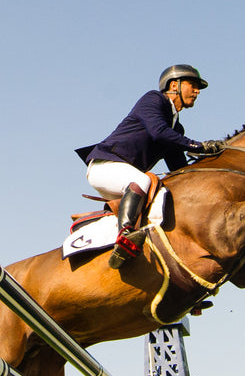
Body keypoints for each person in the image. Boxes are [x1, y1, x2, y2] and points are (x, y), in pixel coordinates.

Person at [76, 64, 225, 268]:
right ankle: (126, 236)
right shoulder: (154, 99)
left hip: (124, 175)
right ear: (174, 85)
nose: (197, 91)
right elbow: (159, 132)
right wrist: (199, 146)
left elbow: (179, 168)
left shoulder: (176, 127)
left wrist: (213, 168)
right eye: (193, 85)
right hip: (105, 165)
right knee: (142, 179)